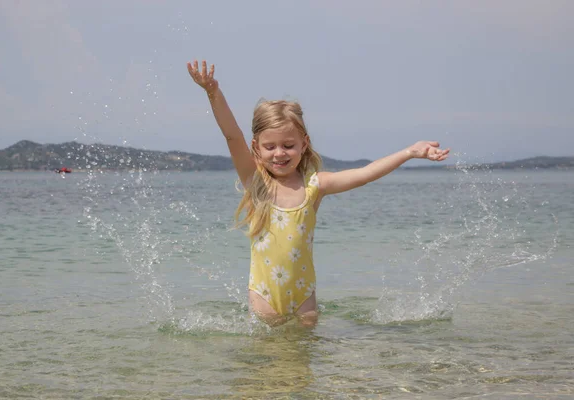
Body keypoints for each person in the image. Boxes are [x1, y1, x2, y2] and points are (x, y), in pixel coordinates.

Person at [187, 60, 450, 328]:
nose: (279, 153)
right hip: (264, 296)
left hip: (304, 299)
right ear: (256, 148)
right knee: (267, 364)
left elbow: (366, 173)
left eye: (289, 145)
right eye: (270, 146)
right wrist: (212, 92)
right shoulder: (256, 183)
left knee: (304, 363)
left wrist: (409, 152)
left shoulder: (315, 186)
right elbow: (232, 136)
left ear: (304, 144)